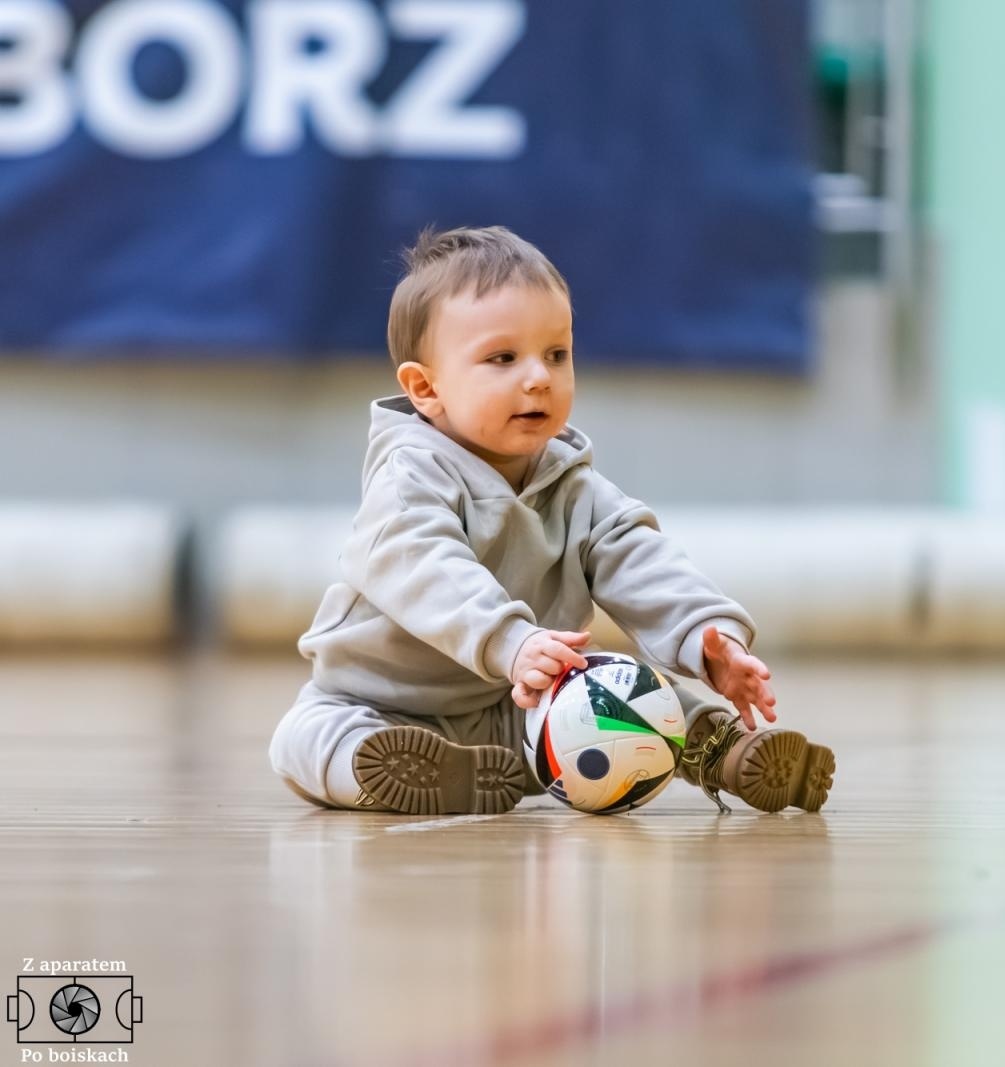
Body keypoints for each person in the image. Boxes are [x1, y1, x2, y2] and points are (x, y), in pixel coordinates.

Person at [269, 226, 835, 816]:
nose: (538, 377)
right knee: (304, 738)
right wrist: (511, 640)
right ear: (425, 388)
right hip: (383, 700)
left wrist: (707, 640)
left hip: (529, 703)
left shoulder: (575, 488)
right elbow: (424, 563)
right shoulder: (408, 477)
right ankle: (386, 765)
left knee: (633, 692)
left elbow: (641, 558)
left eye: (556, 355)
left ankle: (725, 750)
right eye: (503, 358)